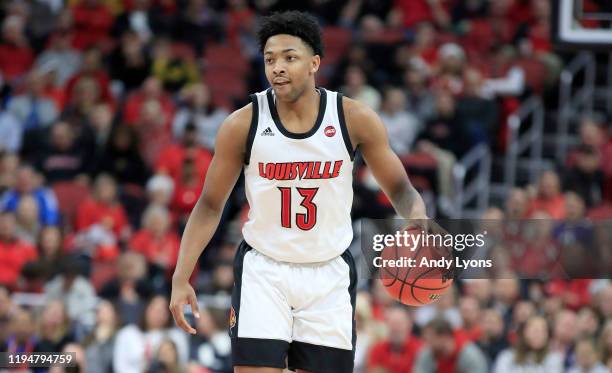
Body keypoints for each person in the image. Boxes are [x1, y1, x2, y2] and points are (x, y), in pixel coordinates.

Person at [169, 10, 428, 373]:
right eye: (270, 59)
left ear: (314, 64)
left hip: (328, 275)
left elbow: (400, 187)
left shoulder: (353, 118)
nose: (277, 67)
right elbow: (210, 204)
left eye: (289, 58)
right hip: (265, 270)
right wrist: (181, 275)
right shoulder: (242, 124)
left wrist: (417, 218)